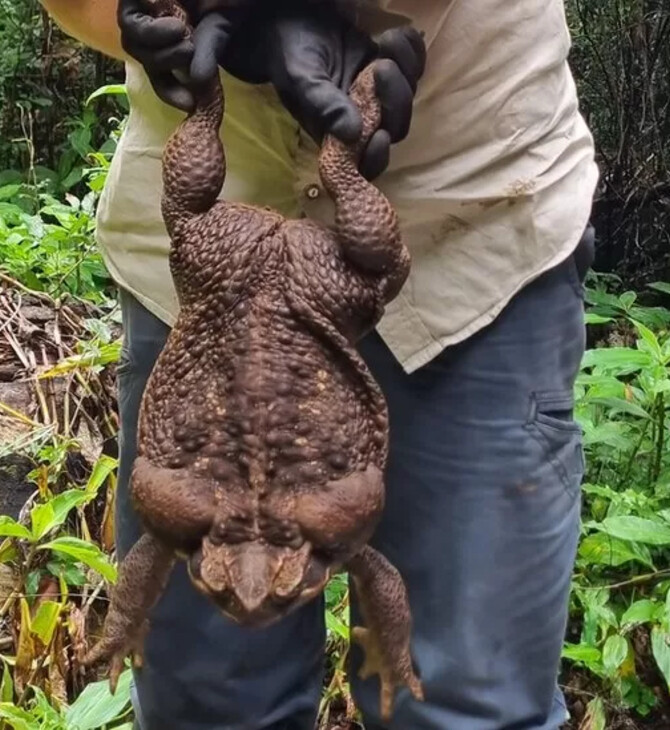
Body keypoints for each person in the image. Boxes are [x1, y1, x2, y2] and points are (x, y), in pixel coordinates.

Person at [41, 1, 599, 728]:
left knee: (464, 706)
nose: (248, 595)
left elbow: (369, 567)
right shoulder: (237, 526)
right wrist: (156, 20)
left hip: (466, 218)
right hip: (216, 271)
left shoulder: (311, 529)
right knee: (204, 709)